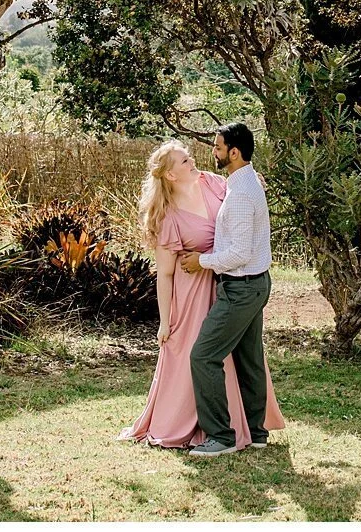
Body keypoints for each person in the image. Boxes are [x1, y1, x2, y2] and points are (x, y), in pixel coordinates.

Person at [119, 134, 283, 450]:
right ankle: (203, 426)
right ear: (170, 174)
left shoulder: (212, 183)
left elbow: (241, 196)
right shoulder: (168, 217)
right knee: (195, 355)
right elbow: (165, 275)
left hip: (227, 281)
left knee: (243, 356)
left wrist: (255, 180)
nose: (193, 160)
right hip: (192, 292)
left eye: (189, 156)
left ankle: (243, 429)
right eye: (184, 160)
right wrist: (165, 322)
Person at [177, 121, 276, 458]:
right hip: (256, 284)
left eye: (218, 148)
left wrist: (200, 262)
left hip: (241, 288)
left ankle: (221, 436)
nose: (214, 153)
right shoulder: (246, 181)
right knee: (249, 361)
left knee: (203, 355)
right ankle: (257, 431)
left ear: (234, 152)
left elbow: (238, 254)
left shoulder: (239, 196)